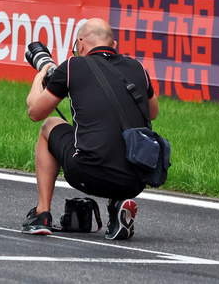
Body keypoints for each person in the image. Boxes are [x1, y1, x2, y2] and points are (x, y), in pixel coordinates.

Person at [23, 17, 159, 241]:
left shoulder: (73, 66)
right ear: (114, 46)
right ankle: (117, 207)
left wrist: (42, 74)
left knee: (50, 125)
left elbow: (35, 112)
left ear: (80, 44)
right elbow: (152, 112)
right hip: (136, 178)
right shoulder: (137, 68)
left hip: (88, 172)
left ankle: (42, 214)